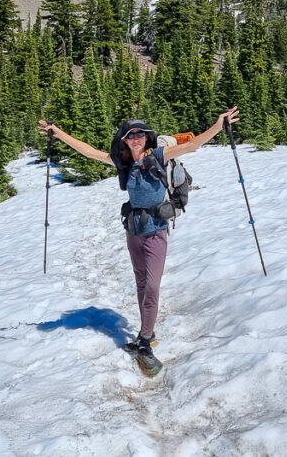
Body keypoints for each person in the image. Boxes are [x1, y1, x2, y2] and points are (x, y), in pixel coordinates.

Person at [38, 106, 240, 374]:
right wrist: (57, 132)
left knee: (153, 286)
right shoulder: (122, 161)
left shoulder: (159, 155)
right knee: (142, 283)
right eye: (131, 135)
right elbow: (88, 150)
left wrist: (218, 125)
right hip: (133, 231)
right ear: (125, 139)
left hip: (156, 231)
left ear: (147, 138)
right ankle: (148, 330)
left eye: (141, 135)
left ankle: (145, 341)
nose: (136, 139)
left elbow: (192, 146)